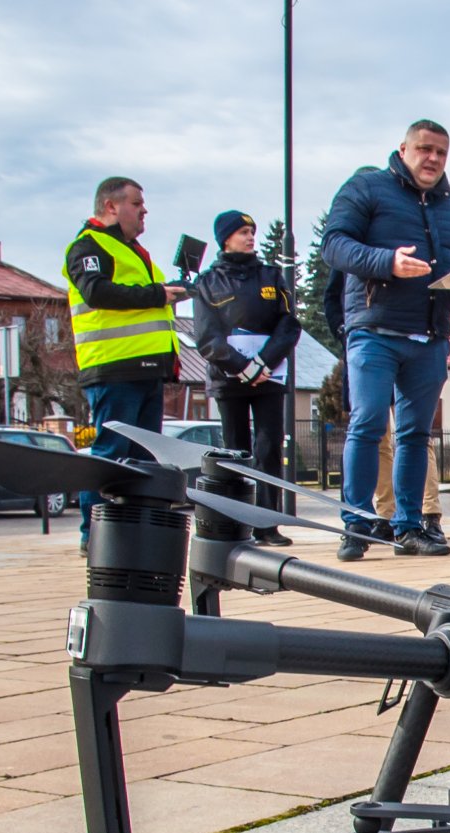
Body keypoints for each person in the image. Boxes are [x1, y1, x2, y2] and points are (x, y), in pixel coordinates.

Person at [321, 120, 450, 560]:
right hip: (374, 330)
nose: (433, 158)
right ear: (403, 149)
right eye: (424, 149)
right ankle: (355, 525)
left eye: (441, 152)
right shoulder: (366, 189)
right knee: (368, 422)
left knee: (416, 435)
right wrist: (387, 262)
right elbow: (334, 245)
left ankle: (410, 527)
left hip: (430, 335)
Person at [65, 176, 186, 554]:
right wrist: (156, 295)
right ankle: (94, 534)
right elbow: (96, 291)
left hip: (147, 369)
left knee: (143, 458)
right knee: (112, 454)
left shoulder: (134, 252)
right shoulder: (89, 245)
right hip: (114, 367)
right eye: (136, 203)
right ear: (111, 206)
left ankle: (134, 531)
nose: (144, 210)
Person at [191, 210, 301, 547]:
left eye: (252, 231)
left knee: (269, 448)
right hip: (229, 379)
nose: (250, 236)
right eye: (242, 232)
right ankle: (236, 523)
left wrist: (264, 362)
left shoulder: (271, 276)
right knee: (235, 452)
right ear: (225, 238)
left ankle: (267, 524)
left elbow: (288, 324)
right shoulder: (209, 282)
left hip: (268, 376)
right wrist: (241, 365)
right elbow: (207, 336)